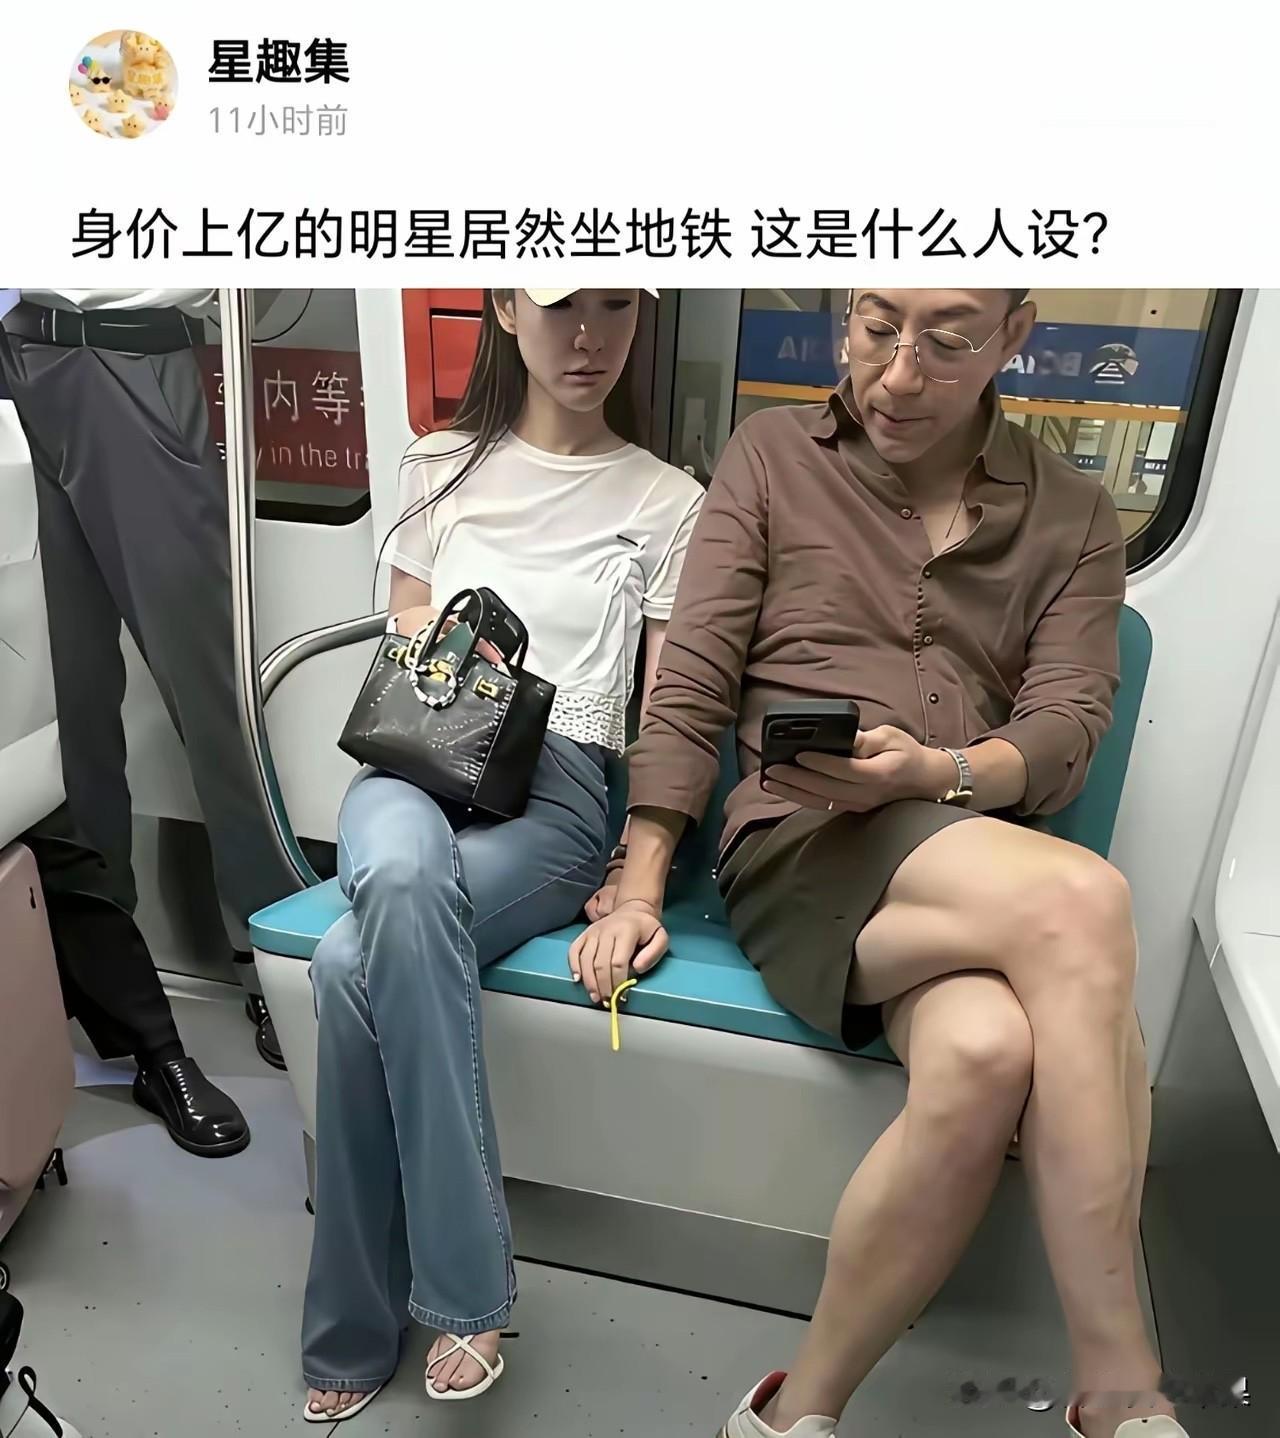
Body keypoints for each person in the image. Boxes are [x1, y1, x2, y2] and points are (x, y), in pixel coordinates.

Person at [575, 289, 1190, 1438]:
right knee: (1082, 901)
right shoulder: (771, 456)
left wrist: (937, 771)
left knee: (985, 1049)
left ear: (1013, 336)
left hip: (961, 848)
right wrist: (641, 879)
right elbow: (692, 680)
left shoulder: (1071, 513)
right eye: (873, 329)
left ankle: (788, 1414)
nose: (898, 373)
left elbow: (1064, 727)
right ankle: (1119, 1395)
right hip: (800, 842)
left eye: (945, 342)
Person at [300, 287, 704, 1422]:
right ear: (506, 310)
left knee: (347, 965)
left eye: (615, 305)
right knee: (394, 874)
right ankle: (467, 1288)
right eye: (561, 303)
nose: (589, 336)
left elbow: (667, 710)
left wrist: (637, 867)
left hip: (559, 793)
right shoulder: (438, 466)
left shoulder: (668, 500)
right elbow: (406, 643)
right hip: (418, 761)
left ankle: (357, 1325)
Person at [0, 288, 297, 1161]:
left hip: (129, 355)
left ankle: (273, 957)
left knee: (207, 689)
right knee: (61, 709)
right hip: (18, 351)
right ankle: (114, 985)